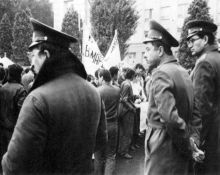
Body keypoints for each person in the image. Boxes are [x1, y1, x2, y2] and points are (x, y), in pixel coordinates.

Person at [1, 18, 107, 175]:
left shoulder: (37, 99)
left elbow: (14, 165)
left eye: (34, 55)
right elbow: (100, 143)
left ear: (47, 55)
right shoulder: (93, 92)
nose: (32, 63)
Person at [143, 20, 203, 175]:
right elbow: (196, 114)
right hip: (180, 154)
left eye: (148, 49)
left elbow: (169, 118)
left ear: (160, 50)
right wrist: (193, 141)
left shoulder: (160, 73)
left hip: (163, 154)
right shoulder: (184, 72)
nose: (145, 54)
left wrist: (189, 147)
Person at [186, 20, 220, 175]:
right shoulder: (217, 58)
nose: (189, 45)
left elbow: (201, 109)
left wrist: (196, 141)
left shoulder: (204, 62)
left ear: (205, 39)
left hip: (210, 141)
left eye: (193, 40)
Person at [0, 64, 27, 171]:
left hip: (2, 129)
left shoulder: (2, 88)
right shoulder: (20, 90)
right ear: (19, 75)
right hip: (14, 131)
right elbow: (23, 112)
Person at [96, 69, 120, 175]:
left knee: (98, 156)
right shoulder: (117, 90)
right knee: (110, 155)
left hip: (100, 126)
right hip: (113, 124)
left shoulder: (97, 90)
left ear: (101, 77)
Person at [118, 68, 136, 159]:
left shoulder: (124, 83)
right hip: (126, 111)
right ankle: (124, 151)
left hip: (124, 110)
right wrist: (132, 108)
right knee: (127, 131)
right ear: (132, 76)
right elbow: (124, 99)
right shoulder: (127, 84)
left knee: (123, 131)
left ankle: (122, 149)